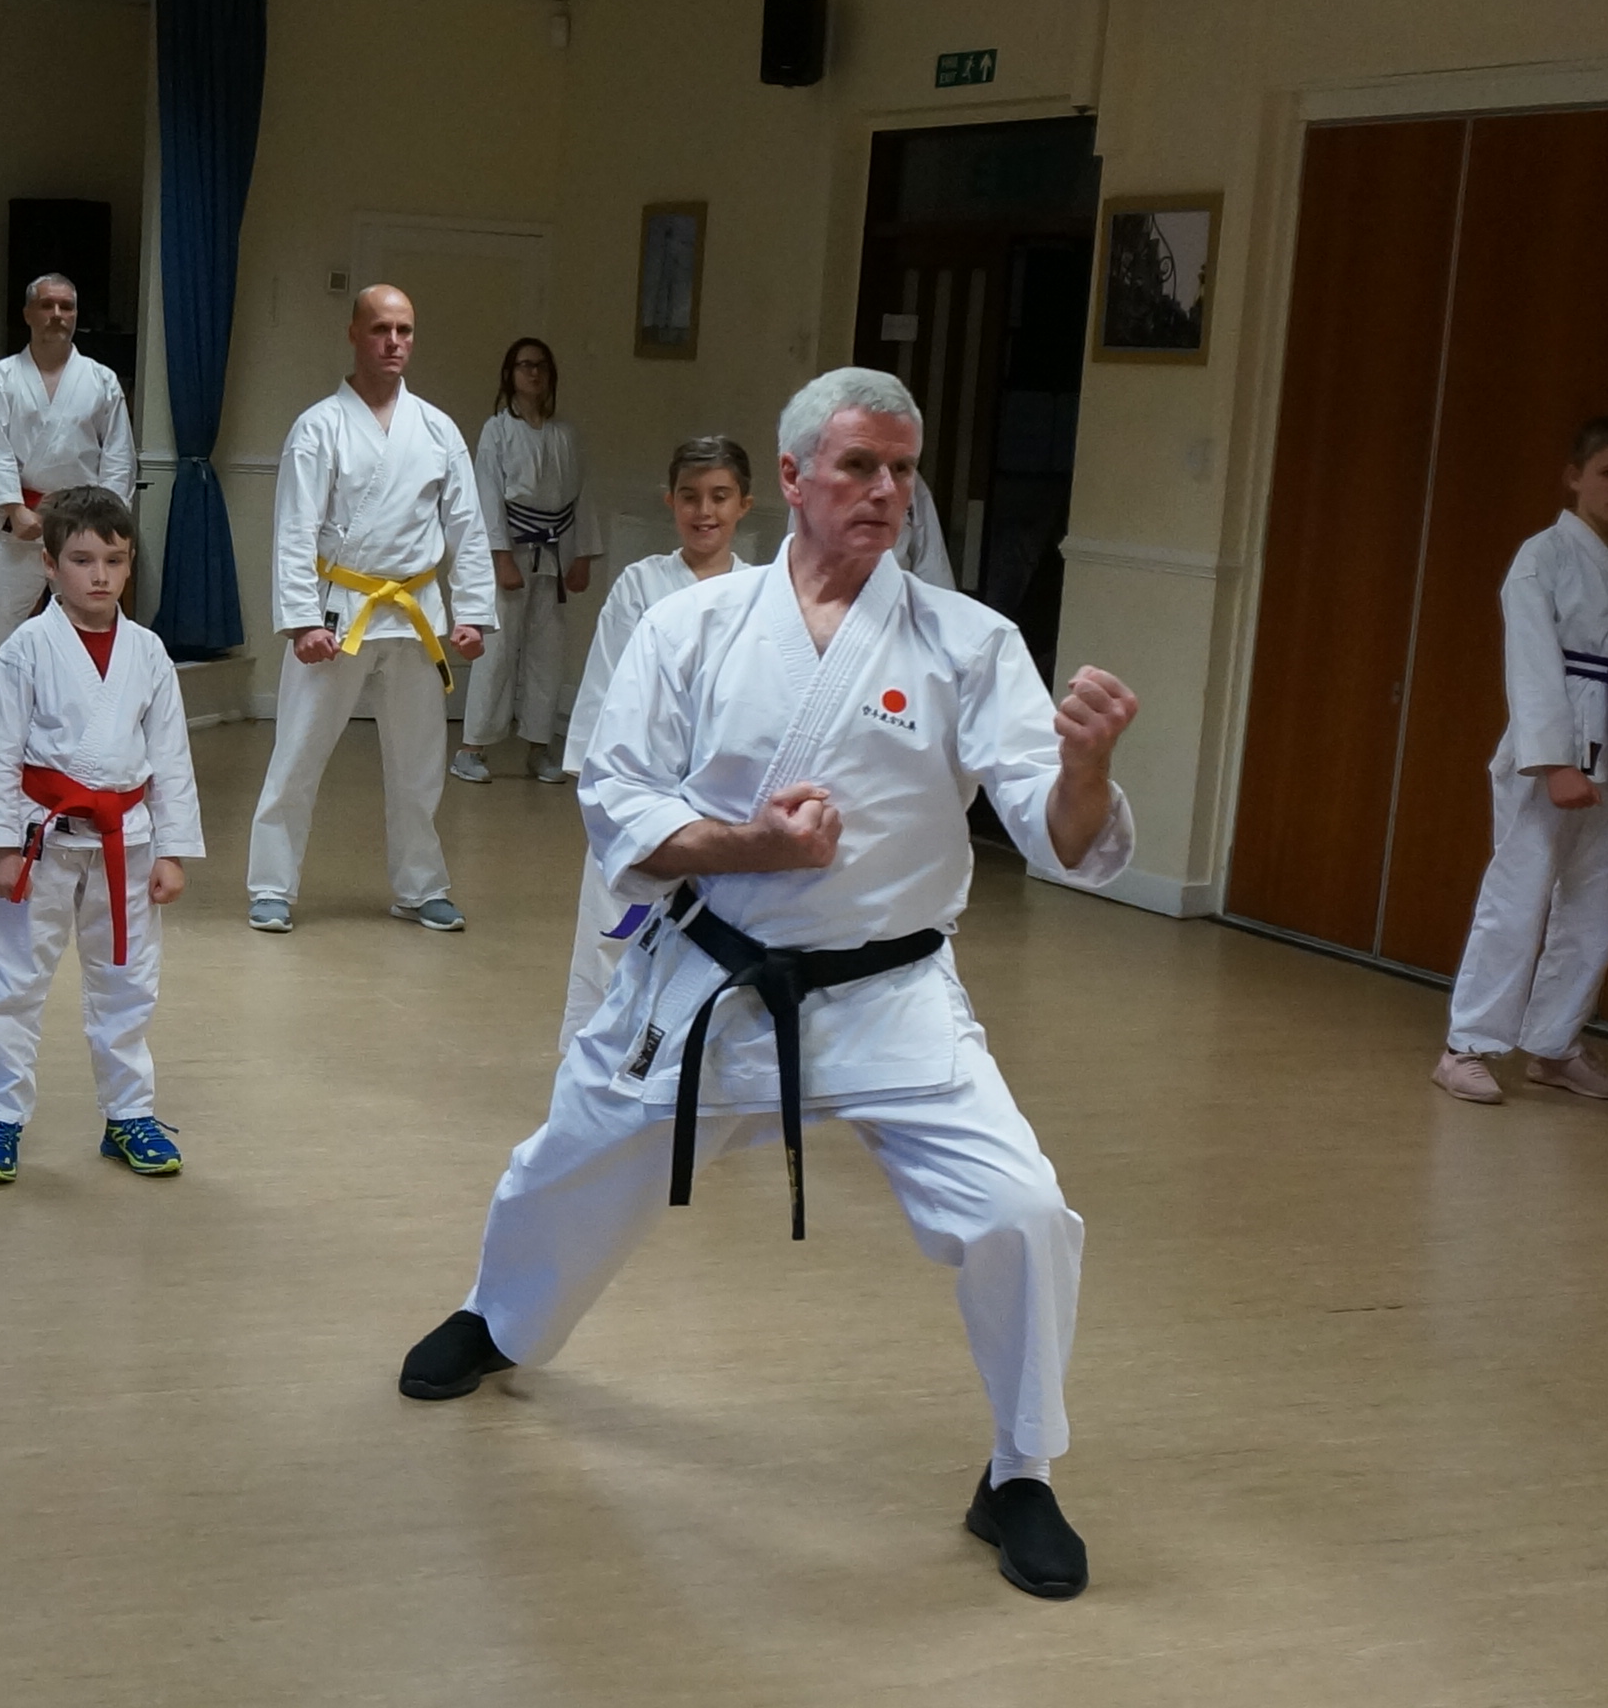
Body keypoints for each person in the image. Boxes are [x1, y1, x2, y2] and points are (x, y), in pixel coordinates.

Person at [399, 366, 1142, 1604]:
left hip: (892, 991)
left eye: (901, 469)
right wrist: (753, 846)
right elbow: (616, 800)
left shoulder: (968, 644)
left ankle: (1020, 1470)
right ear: (791, 478)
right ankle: (499, 1318)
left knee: (1021, 1212)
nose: (885, 490)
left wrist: (1085, 770)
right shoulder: (690, 627)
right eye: (858, 465)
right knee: (569, 1154)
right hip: (713, 973)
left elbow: (1059, 835)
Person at [1438, 416, 1608, 1105]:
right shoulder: (1543, 557)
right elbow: (1531, 665)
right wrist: (1555, 763)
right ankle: (1467, 1044)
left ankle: (1554, 1043)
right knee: (1519, 894)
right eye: (1607, 473)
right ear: (1574, 478)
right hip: (1559, 745)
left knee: (1599, 903)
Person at [0, 483, 200, 1186]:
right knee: (14, 982)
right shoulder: (25, 650)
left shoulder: (148, 652)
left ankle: (129, 1113)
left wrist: (173, 851)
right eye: (82, 559)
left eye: (115, 561)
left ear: (130, 566)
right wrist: (2, 847)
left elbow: (171, 758)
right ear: (49, 564)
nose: (100, 575)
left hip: (127, 840)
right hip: (41, 840)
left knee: (128, 981)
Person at [244, 282, 495, 935]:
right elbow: (295, 530)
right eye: (381, 329)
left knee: (418, 762)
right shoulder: (319, 427)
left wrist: (472, 611)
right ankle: (271, 885)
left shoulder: (437, 429)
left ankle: (422, 885)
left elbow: (467, 527)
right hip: (339, 611)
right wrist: (301, 620)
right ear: (354, 334)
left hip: (416, 611)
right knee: (298, 753)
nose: (393, 342)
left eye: (404, 330)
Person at [560, 435, 755, 1036]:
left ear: (744, 505)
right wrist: (597, 787)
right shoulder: (640, 585)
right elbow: (605, 686)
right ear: (670, 502)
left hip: (722, 795)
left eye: (720, 496)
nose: (705, 511)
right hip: (640, 786)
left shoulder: (763, 593)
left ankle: (687, 1057)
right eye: (690, 496)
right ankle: (597, 1049)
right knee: (615, 925)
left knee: (713, 936)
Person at [0, 271, 134, 778]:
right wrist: (14, 509)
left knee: (84, 629)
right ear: (28, 313)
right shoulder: (0, 379)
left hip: (83, 528)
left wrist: (105, 525)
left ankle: (86, 739)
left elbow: (117, 456)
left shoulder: (100, 381)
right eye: (48, 306)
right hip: (21, 522)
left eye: (67, 307)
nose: (57, 316)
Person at [455, 336, 598, 785]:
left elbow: (581, 498)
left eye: (541, 366)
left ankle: (539, 747)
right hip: (512, 550)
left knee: (547, 653)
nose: (534, 373)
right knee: (497, 650)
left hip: (554, 553)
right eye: (525, 365)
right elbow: (487, 498)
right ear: (510, 375)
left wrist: (582, 557)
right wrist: (501, 559)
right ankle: (471, 748)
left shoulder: (565, 435)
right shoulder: (496, 431)